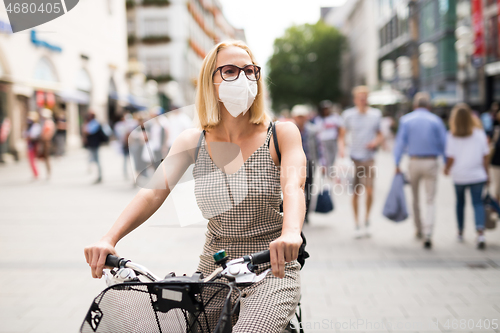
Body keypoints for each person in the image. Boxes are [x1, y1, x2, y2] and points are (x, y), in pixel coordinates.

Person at [84, 40, 306, 333]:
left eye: (250, 71)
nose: (243, 77)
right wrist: (109, 238)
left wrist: (291, 233)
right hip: (215, 270)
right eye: (229, 70)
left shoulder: (281, 134)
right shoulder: (193, 141)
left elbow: (294, 185)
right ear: (210, 81)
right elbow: (153, 192)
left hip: (272, 266)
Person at [394, 92, 447, 249]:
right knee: (430, 199)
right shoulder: (436, 120)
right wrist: (446, 163)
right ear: (428, 106)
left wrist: (396, 163)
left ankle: (418, 228)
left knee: (415, 198)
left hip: (414, 161)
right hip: (431, 161)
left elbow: (400, 143)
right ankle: (428, 232)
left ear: (415, 105)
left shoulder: (406, 120)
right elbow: (444, 143)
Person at [339, 85, 383, 239]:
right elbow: (342, 135)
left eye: (365, 97)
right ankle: (357, 223)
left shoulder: (375, 115)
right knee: (356, 192)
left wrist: (375, 142)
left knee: (370, 191)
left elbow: (380, 135)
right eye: (360, 97)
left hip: (369, 159)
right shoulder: (348, 115)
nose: (362, 100)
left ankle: (367, 220)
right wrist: (342, 151)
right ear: (355, 99)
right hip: (354, 159)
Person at [444, 103, 489, 249]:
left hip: (459, 175)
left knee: (460, 203)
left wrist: (446, 169)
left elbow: (451, 157)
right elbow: (485, 156)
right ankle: (480, 232)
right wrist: (487, 173)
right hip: (477, 174)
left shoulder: (451, 135)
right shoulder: (479, 134)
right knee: (477, 203)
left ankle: (460, 232)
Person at [291, 104, 324, 223]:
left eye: (302, 116)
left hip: (309, 162)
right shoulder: (289, 129)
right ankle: (295, 212)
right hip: (293, 164)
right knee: (294, 188)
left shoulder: (313, 130)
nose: (300, 119)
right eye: (298, 116)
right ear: (294, 117)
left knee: (308, 189)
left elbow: (319, 147)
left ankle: (306, 214)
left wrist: (323, 163)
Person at [313, 100, 344, 178]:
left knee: (333, 156)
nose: (326, 110)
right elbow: (317, 131)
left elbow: (340, 129)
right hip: (323, 141)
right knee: (326, 157)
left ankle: (331, 171)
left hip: (333, 140)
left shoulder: (335, 117)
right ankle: (328, 173)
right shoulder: (319, 119)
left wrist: (341, 141)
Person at [83, 112, 107, 184]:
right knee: (94, 160)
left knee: (96, 160)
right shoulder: (92, 123)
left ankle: (99, 176)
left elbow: (87, 131)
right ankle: (97, 175)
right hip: (93, 144)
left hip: (94, 144)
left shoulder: (94, 123)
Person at [39, 108, 56, 179]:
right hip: (46, 141)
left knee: (47, 158)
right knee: (46, 159)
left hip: (47, 142)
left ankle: (48, 172)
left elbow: (48, 134)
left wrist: (43, 138)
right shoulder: (47, 122)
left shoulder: (48, 123)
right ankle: (48, 172)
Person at [25, 111, 42, 179]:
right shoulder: (29, 126)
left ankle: (36, 174)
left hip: (34, 144)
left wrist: (29, 137)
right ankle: (35, 173)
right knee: (31, 160)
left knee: (33, 159)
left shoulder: (36, 126)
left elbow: (34, 135)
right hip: (30, 144)